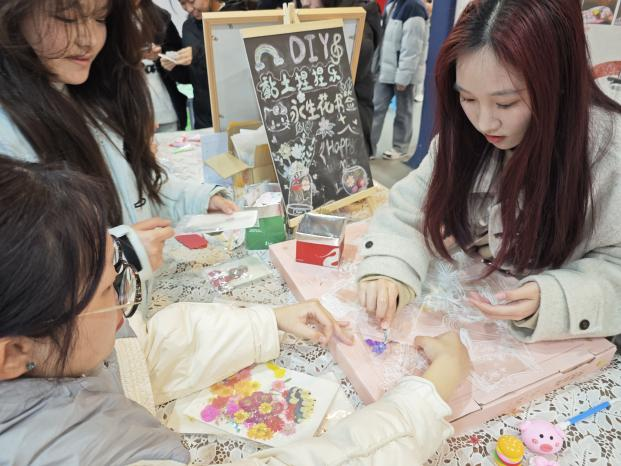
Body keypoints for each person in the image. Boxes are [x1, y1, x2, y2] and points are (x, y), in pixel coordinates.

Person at [0, 157, 471, 465]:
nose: (126, 306)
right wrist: (426, 397)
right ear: (14, 353)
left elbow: (133, 360)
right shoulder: (82, 452)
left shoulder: (40, 362)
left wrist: (269, 321)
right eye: (109, 289)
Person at [357, 0, 621, 342]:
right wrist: (389, 267)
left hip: (565, 349)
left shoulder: (608, 154)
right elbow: (409, 211)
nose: (484, 122)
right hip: (477, 325)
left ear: (558, 85)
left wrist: (559, 298)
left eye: (505, 103)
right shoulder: (463, 136)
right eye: (467, 98)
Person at [0, 0, 237, 281]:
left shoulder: (88, 97)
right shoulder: (10, 135)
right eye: (67, 18)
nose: (88, 39)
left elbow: (133, 191)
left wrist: (198, 198)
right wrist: (120, 252)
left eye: (100, 18)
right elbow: (28, 270)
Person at [296, 0, 382, 157]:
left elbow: (349, 71)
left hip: (350, 117)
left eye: (309, 4)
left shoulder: (356, 21)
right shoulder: (329, 16)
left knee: (349, 165)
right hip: (330, 115)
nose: (306, 6)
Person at [369, 0, 428, 160]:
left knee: (403, 111)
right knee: (376, 107)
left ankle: (400, 147)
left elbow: (412, 48)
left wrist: (403, 77)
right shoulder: (392, 4)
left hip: (403, 73)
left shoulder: (414, 7)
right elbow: (384, 39)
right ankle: (368, 148)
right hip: (386, 69)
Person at [180, 0, 248, 130]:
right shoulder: (189, 26)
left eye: (192, 1)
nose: (189, 9)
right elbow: (189, 75)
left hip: (239, 112)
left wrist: (197, 53)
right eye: (182, 3)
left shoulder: (237, 16)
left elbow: (235, 61)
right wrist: (171, 64)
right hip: (204, 117)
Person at [139, 0, 193, 131]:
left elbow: (183, 72)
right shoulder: (107, 19)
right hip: (129, 116)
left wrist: (165, 58)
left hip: (167, 111)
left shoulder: (160, 17)